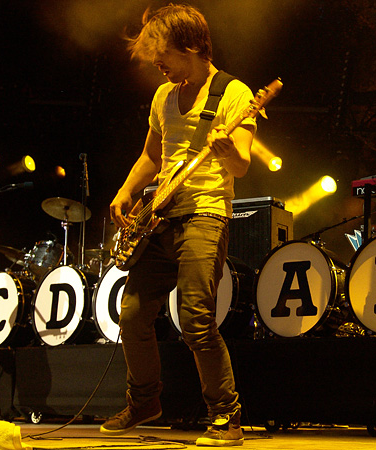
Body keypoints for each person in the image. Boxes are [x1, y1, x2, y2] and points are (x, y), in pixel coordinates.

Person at [102, 4, 256, 446]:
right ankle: (145, 400)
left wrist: (226, 150)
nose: (157, 64)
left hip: (205, 213)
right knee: (131, 314)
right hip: (161, 217)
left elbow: (241, 164)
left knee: (195, 319)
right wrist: (125, 191)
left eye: (162, 55)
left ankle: (226, 417)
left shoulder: (233, 94)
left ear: (191, 49)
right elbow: (153, 155)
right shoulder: (163, 97)